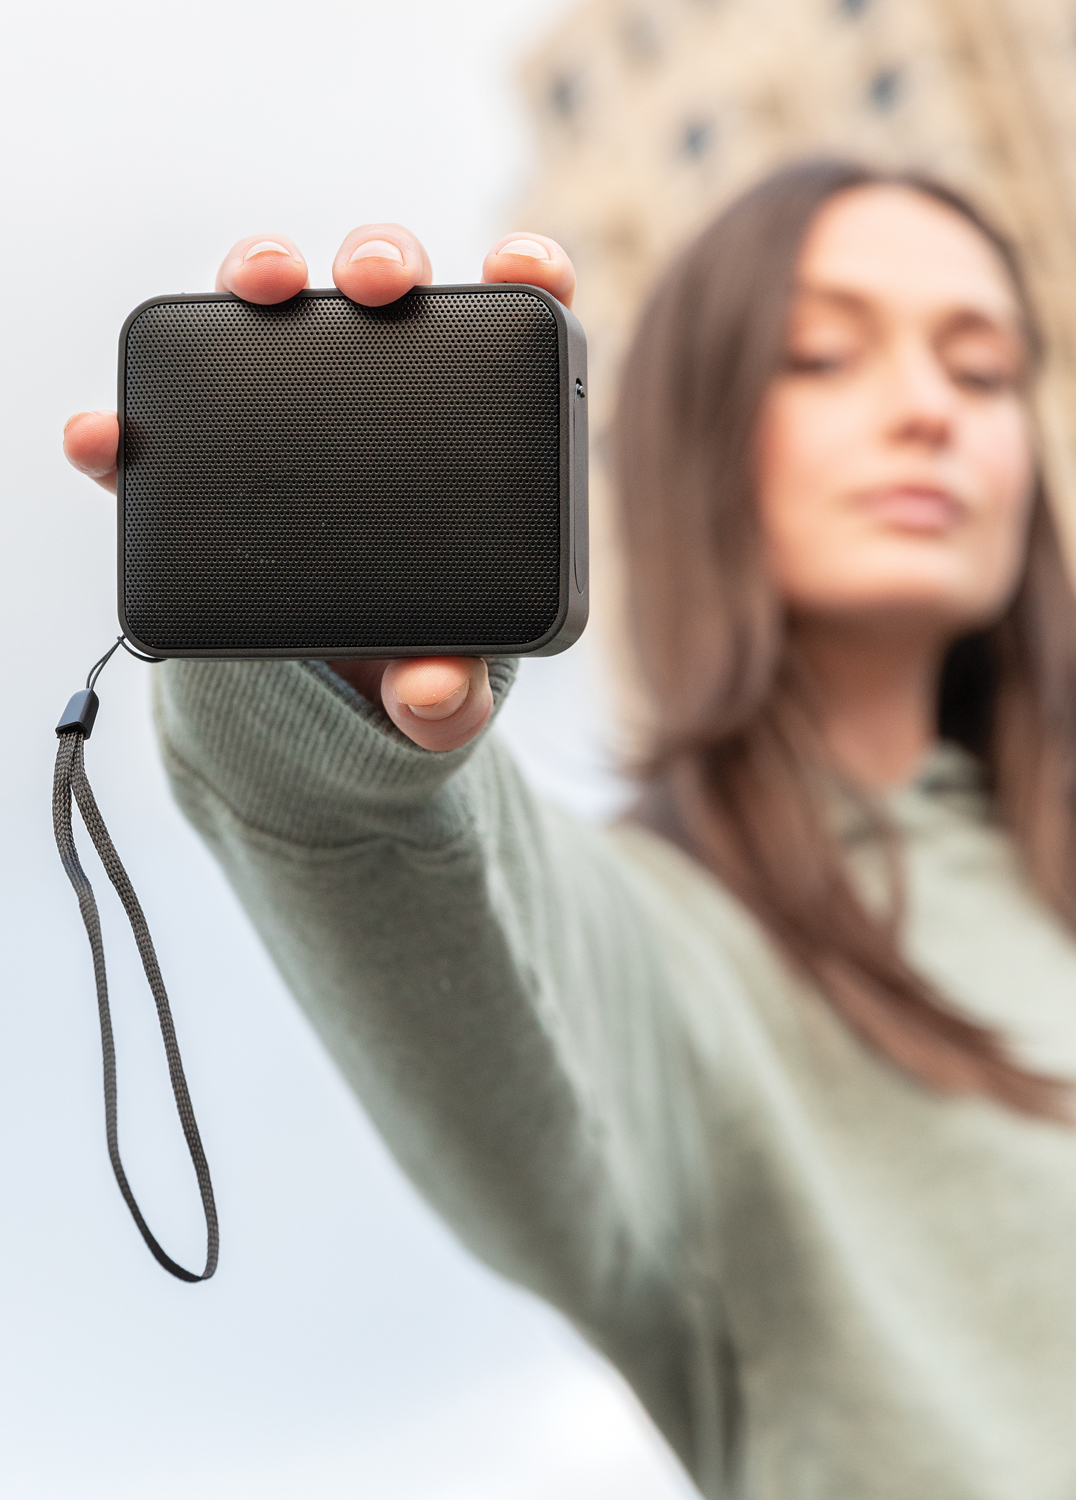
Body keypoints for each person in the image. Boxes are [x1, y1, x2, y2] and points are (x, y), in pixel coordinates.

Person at [63, 158, 1076, 1498]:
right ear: (694, 438)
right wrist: (312, 694)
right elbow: (441, 893)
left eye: (983, 369)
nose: (928, 408)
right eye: (825, 356)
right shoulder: (671, 945)